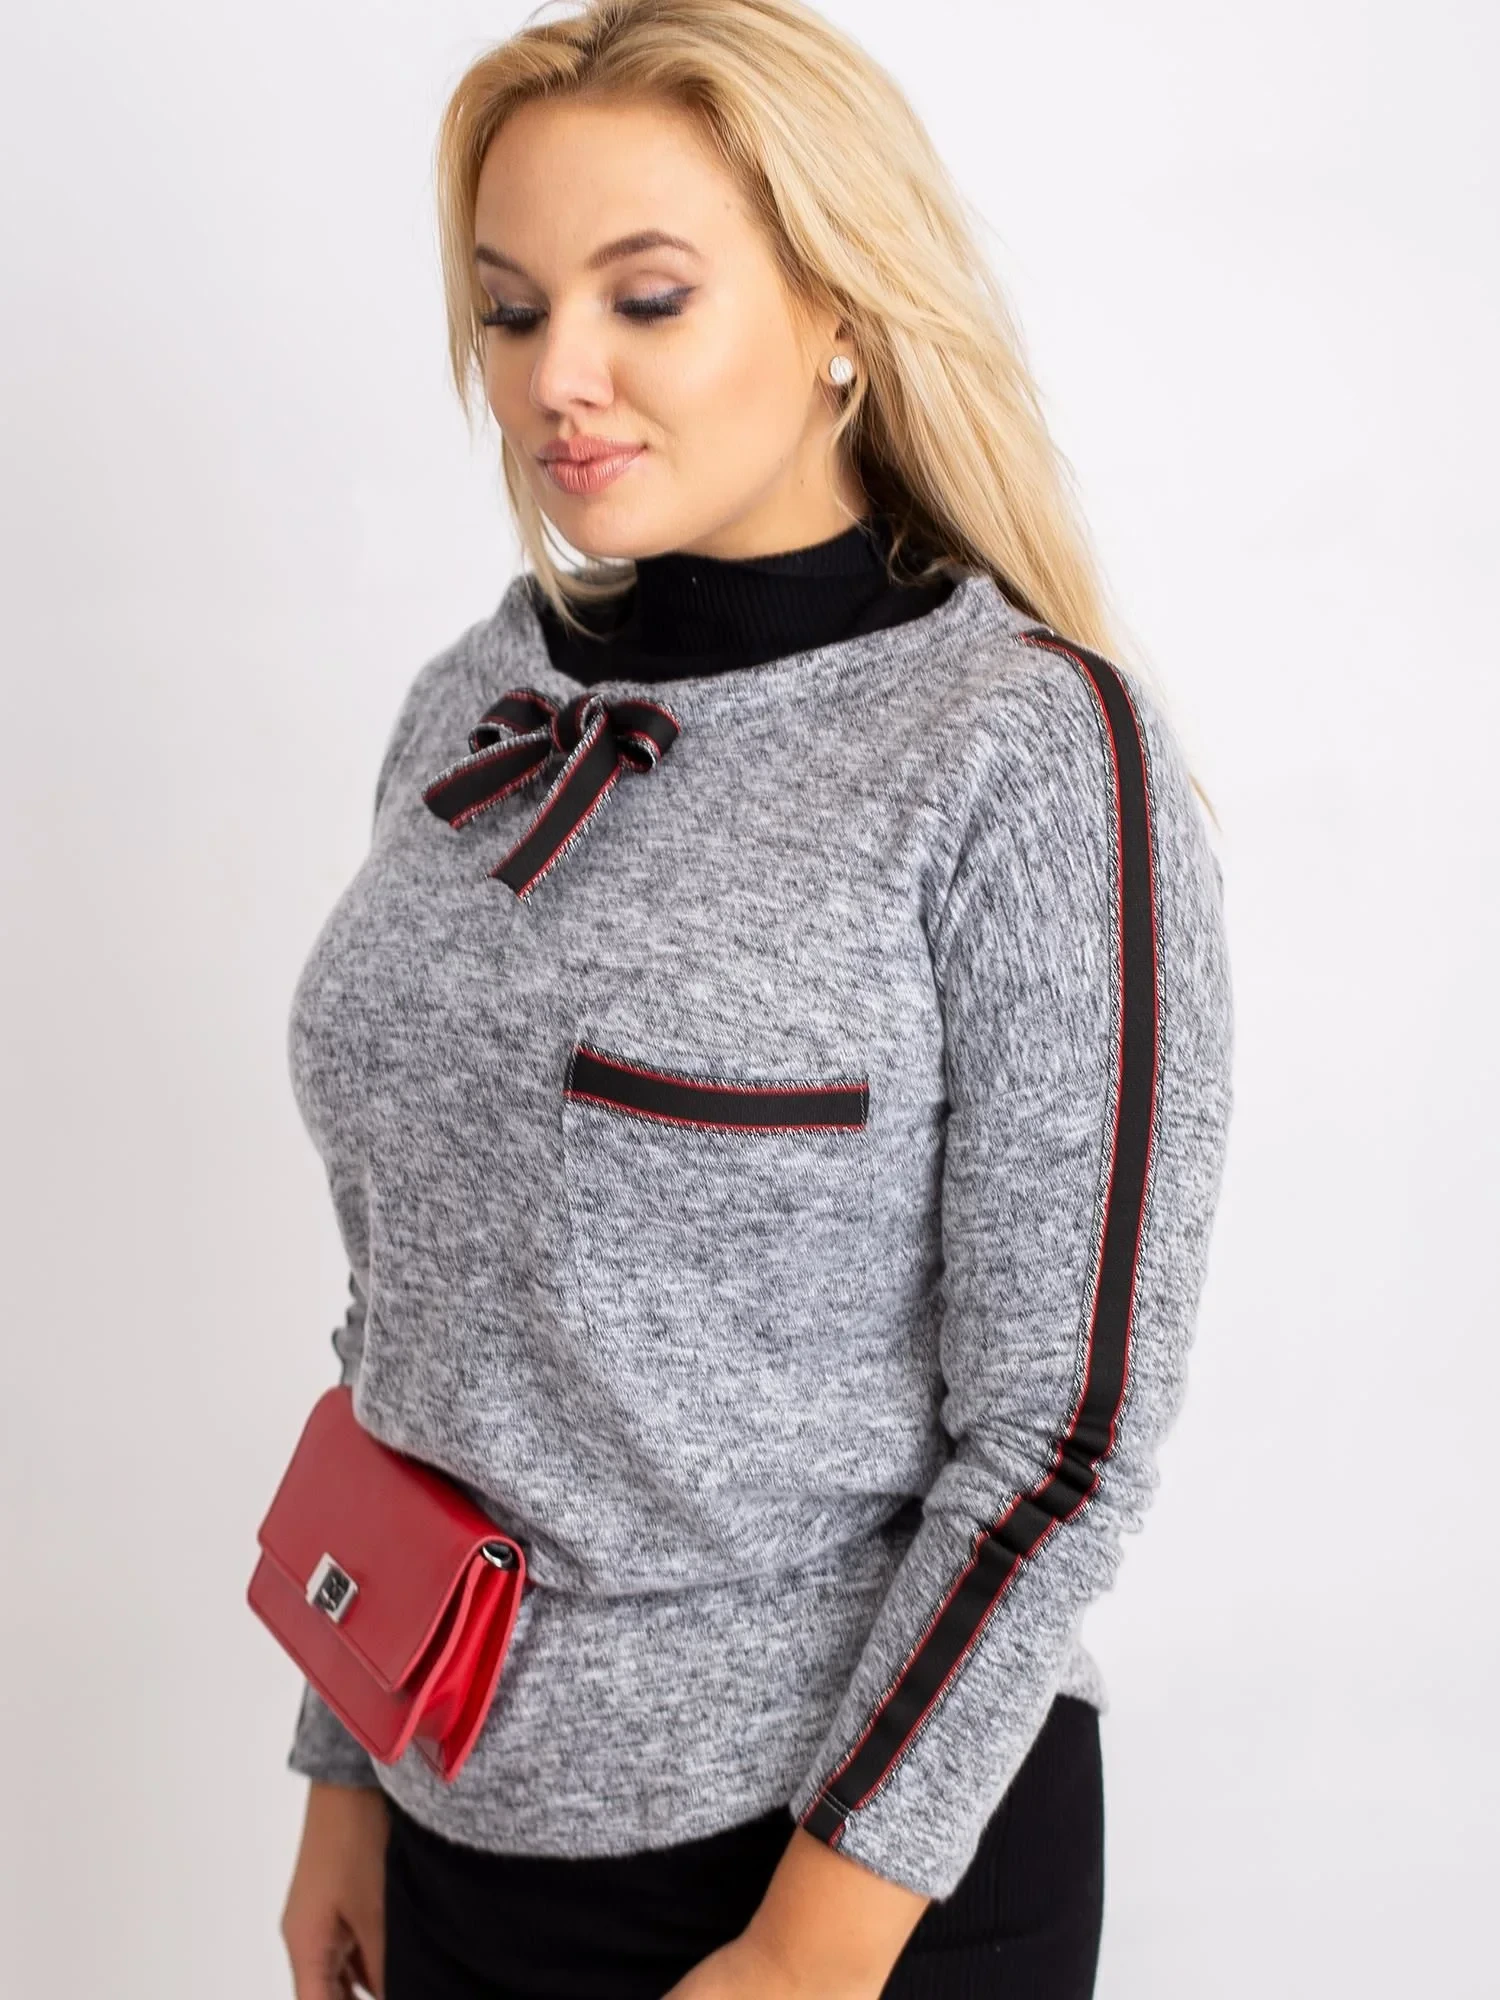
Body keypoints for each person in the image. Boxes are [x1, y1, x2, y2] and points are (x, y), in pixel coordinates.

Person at [273, 3, 1234, 1996]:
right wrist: (345, 1757)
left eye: (646, 299)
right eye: (513, 310)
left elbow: (1063, 1433)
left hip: (839, 1878)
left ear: (839, 314)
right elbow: (419, 1315)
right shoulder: (475, 708)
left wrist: (816, 1938)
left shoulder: (1022, 756)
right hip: (454, 1825)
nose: (560, 377)